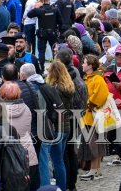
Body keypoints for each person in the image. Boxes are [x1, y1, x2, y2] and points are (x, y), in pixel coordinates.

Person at [37, 60, 73, 191]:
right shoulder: (69, 86)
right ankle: (63, 187)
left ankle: (61, 188)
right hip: (66, 125)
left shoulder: (53, 89)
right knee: (60, 161)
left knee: (57, 161)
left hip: (57, 127)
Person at [0, 82, 38, 189]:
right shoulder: (26, 109)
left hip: (10, 159)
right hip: (28, 155)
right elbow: (28, 131)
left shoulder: (0, 112)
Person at [78, 54, 108, 182]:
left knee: (94, 145)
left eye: (84, 63)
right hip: (89, 116)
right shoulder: (89, 78)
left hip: (93, 116)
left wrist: (87, 104)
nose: (82, 65)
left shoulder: (97, 79)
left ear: (90, 65)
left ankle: (94, 171)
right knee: (95, 144)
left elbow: (101, 96)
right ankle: (96, 170)